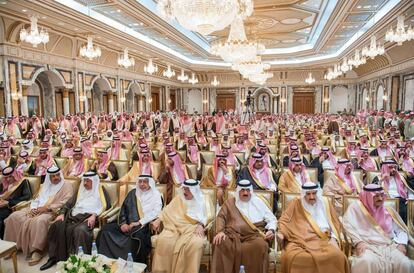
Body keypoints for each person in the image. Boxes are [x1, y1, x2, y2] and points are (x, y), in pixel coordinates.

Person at [40, 172, 110, 270]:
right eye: (84, 180)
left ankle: (80, 261)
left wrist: (94, 215)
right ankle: (54, 258)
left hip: (89, 217)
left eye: (88, 181)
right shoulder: (80, 189)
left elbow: (107, 206)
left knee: (80, 230)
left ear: (94, 181)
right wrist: (61, 213)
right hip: (73, 216)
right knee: (56, 226)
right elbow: (69, 204)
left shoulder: (101, 190)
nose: (85, 183)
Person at [4, 166, 73, 265]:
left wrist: (48, 208)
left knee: (39, 221)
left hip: (52, 211)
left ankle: (37, 250)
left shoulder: (66, 186)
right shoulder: (44, 185)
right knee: (14, 217)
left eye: (57, 175)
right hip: (36, 208)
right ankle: (14, 245)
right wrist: (33, 209)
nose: (56, 177)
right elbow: (36, 199)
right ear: (49, 177)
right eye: (53, 176)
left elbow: (66, 202)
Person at [278, 182, 348, 273]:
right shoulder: (296, 203)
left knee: (338, 256)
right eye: (308, 194)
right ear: (303, 194)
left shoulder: (325, 203)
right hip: (300, 241)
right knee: (295, 257)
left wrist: (334, 238)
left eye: (314, 193)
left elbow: (335, 223)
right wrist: (281, 233)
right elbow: (284, 220)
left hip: (324, 240)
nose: (312, 197)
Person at [342, 184, 413, 273]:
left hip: (389, 246)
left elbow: (400, 229)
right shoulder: (355, 208)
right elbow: (347, 226)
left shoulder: (387, 209)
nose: (380, 199)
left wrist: (401, 243)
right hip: (367, 246)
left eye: (381, 195)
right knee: (366, 262)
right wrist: (358, 242)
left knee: (405, 263)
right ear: (367, 197)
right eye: (376, 196)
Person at [211, 179, 276, 273]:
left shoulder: (258, 202)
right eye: (242, 190)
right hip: (232, 235)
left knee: (261, 245)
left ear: (251, 191)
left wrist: (271, 230)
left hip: (253, 235)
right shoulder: (230, 203)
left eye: (247, 190)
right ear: (238, 191)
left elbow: (272, 219)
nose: (245, 193)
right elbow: (221, 217)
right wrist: (220, 231)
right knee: (220, 242)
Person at [151, 179, 214, 273]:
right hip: (175, 228)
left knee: (196, 244)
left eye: (188, 189)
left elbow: (210, 216)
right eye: (184, 189)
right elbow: (167, 210)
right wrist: (158, 219)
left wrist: (201, 225)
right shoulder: (179, 198)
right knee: (163, 240)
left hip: (194, 229)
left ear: (194, 190)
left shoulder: (204, 199)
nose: (185, 192)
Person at [97, 174, 162, 263]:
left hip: (143, 226)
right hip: (127, 223)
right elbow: (123, 209)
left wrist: (138, 222)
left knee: (137, 238)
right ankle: (107, 261)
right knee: (105, 230)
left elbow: (156, 213)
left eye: (145, 182)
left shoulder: (156, 195)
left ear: (150, 183)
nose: (142, 184)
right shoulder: (133, 193)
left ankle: (132, 264)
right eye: (140, 181)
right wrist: (123, 224)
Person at [0, 167, 31, 238]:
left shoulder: (23, 182)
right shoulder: (4, 183)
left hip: (12, 207)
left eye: (10, 176)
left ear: (15, 174)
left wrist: (8, 203)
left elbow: (27, 196)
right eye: (6, 177)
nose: (8, 179)